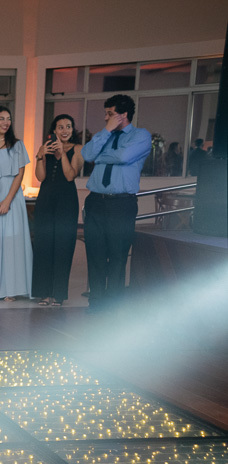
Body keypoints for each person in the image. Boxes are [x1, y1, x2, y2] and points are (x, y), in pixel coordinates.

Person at [81, 94, 151, 313]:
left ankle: (113, 305)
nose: (105, 117)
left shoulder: (141, 135)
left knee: (118, 255)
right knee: (95, 254)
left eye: (110, 114)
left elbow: (124, 157)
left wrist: (101, 156)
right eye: (106, 113)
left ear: (123, 115)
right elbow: (87, 154)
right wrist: (107, 133)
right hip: (96, 202)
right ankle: (97, 303)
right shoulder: (104, 135)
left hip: (121, 204)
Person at [0, 106, 32, 302]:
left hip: (12, 196)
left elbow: (20, 174)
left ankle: (11, 288)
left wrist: (8, 200)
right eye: (1, 119)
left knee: (11, 240)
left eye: (8, 119)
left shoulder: (17, 145)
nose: (5, 122)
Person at [32, 114, 83, 307]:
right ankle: (43, 293)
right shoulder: (45, 149)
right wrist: (40, 155)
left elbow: (70, 175)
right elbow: (40, 177)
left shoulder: (78, 149)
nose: (65, 130)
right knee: (44, 244)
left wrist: (61, 155)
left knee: (63, 244)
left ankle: (58, 293)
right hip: (45, 199)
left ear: (72, 129)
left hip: (66, 201)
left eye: (68, 127)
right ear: (54, 130)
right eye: (60, 127)